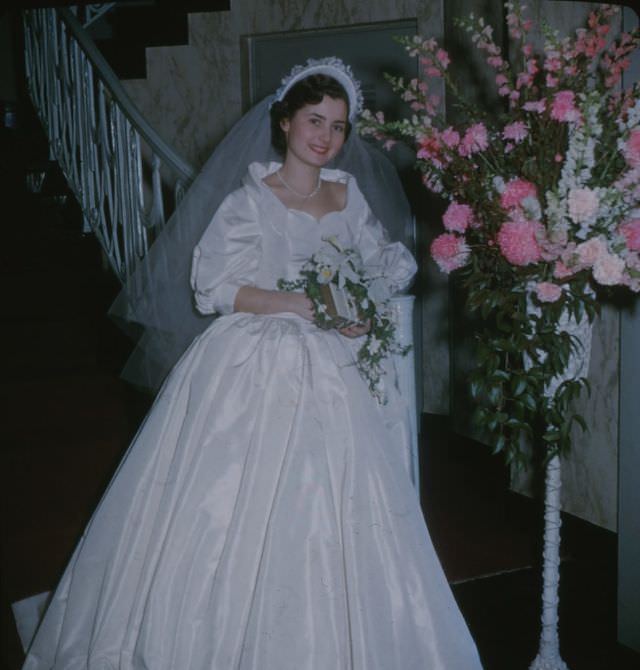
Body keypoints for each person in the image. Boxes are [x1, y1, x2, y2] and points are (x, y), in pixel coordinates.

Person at [21, 59, 483, 669]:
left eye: (339, 126)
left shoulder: (347, 197)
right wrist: (300, 303)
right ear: (285, 120)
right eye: (314, 119)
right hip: (253, 360)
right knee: (228, 502)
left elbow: (384, 265)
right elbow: (212, 285)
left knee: (333, 503)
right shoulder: (250, 198)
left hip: (330, 366)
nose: (325, 135)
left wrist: (356, 310)